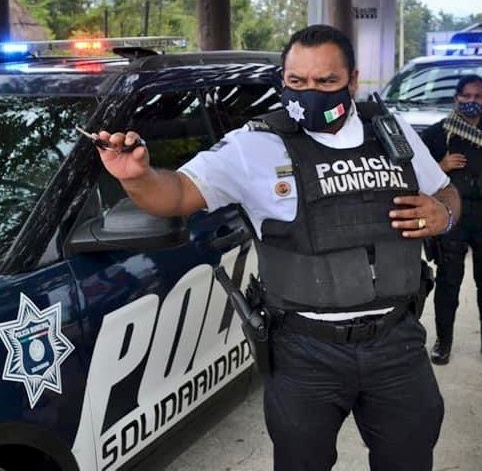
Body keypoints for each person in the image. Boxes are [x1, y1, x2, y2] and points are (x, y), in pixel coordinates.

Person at [91, 25, 461, 471]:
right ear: (283, 79)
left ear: (353, 80)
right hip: (305, 351)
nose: (311, 93)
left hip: (396, 341)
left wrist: (444, 214)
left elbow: (446, 192)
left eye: (326, 82)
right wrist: (137, 177)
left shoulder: (389, 131)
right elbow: (175, 195)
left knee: (409, 460)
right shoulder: (254, 145)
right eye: (297, 82)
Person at [419, 75, 482, 367]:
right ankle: (443, 342)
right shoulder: (439, 134)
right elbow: (417, 172)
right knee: (448, 282)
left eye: (478, 97)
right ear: (456, 99)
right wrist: (442, 165)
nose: (472, 102)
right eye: (466, 96)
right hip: (453, 218)